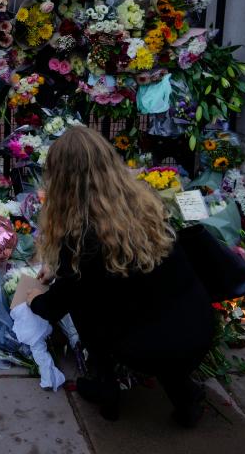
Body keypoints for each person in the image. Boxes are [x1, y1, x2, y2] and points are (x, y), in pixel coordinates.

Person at [26, 126, 215, 427]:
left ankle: (105, 386)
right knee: (143, 305)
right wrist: (64, 269)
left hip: (144, 347)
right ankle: (185, 395)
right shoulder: (144, 206)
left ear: (61, 180)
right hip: (199, 327)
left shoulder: (82, 236)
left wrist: (35, 297)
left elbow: (56, 305)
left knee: (87, 306)